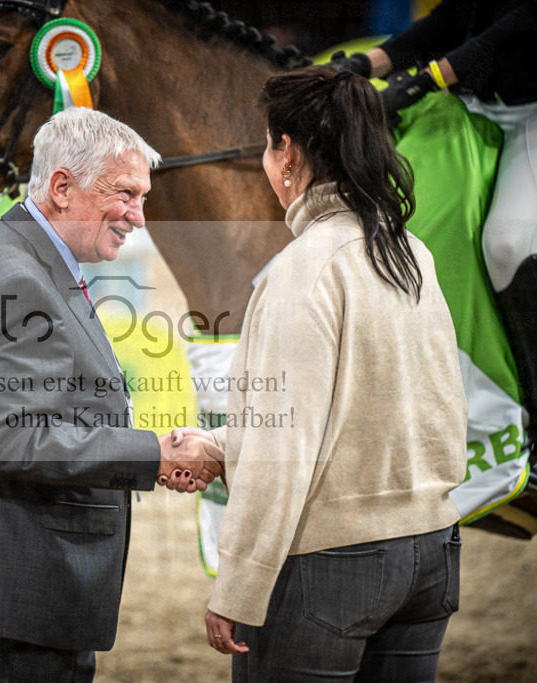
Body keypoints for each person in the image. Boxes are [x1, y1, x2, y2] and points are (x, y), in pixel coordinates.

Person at [173, 66, 468, 680]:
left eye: (266, 143)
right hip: (433, 552)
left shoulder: (300, 271)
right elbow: (388, 413)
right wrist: (224, 444)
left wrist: (238, 589)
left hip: (332, 570)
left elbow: (286, 445)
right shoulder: (410, 252)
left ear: (288, 153)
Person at [0, 106, 224, 682]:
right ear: (62, 187)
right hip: (23, 582)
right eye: (126, 194)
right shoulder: (19, 275)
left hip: (28, 578)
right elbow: (18, 440)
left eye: (143, 197)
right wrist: (155, 454)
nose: (137, 216)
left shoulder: (27, 256)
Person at [330, 0, 537, 506]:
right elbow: (453, 21)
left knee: (510, 242)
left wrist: (427, 80)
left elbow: (525, 23)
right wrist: (365, 64)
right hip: (479, 106)